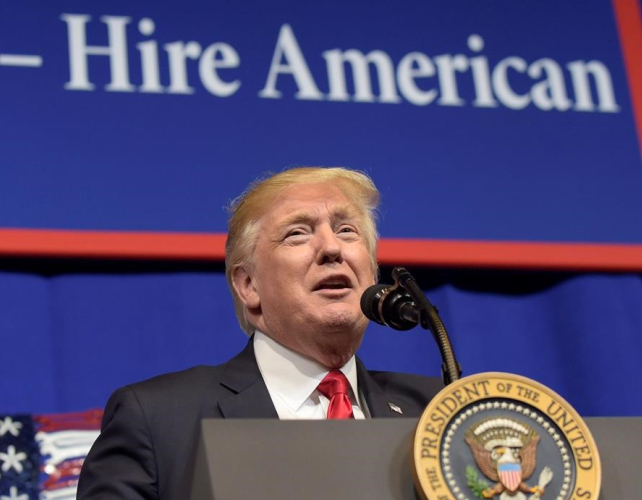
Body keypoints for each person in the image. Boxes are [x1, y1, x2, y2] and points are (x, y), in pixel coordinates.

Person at [77, 167, 443, 499]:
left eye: (347, 230)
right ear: (249, 285)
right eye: (297, 234)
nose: (332, 248)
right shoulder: (156, 419)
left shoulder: (437, 411)